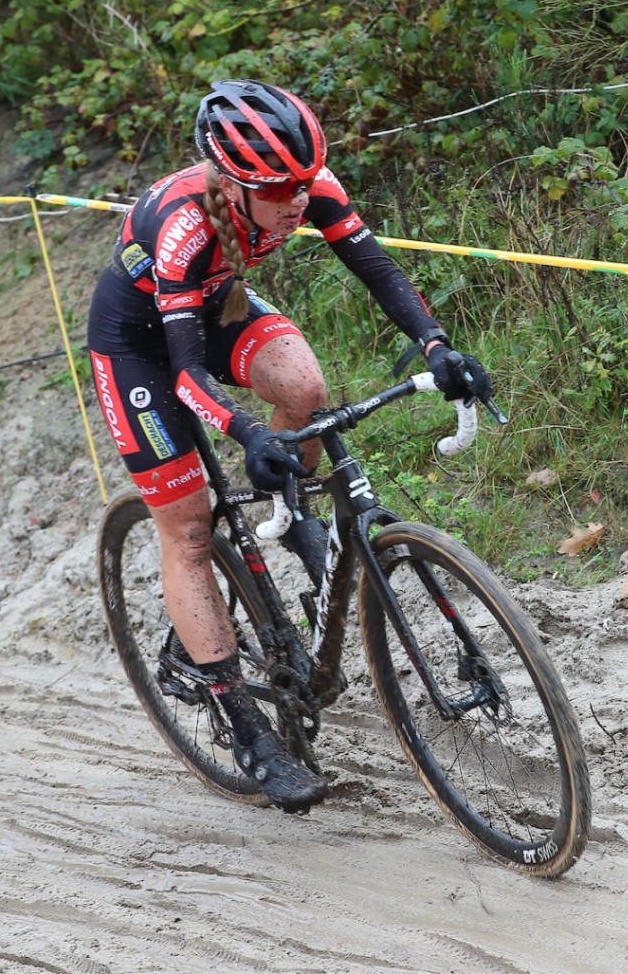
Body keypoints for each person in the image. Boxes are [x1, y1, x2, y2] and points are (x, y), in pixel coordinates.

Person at [87, 79, 492, 814]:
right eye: (278, 189)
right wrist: (243, 432)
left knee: (305, 388)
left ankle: (297, 523)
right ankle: (245, 728)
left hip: (217, 304)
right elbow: (183, 372)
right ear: (231, 185)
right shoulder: (185, 225)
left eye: (304, 181)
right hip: (140, 346)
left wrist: (436, 345)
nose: (297, 200)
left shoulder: (306, 187)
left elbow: (377, 269)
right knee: (188, 527)